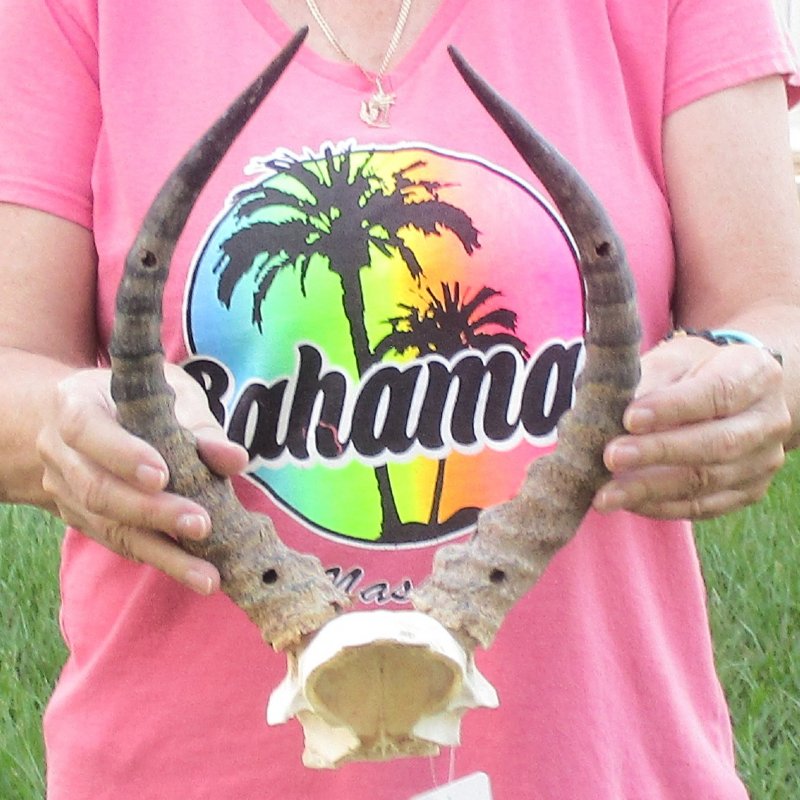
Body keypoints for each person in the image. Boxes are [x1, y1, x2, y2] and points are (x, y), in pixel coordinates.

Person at [1, 0, 799, 797]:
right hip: (188, 768)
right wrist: (66, 428)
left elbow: (777, 316)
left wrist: (745, 376)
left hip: (595, 760)